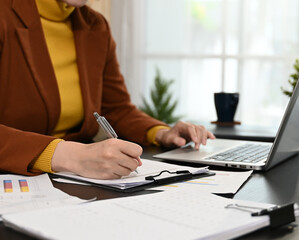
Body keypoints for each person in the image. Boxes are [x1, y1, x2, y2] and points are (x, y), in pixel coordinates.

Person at [0, 0, 215, 179]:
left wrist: (162, 133)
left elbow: (117, 108)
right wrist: (68, 155)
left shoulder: (96, 25)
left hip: (73, 179)